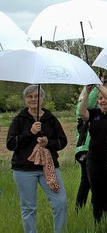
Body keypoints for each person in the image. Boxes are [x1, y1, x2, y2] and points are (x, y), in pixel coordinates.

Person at [7, 85, 68, 233]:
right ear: (25, 99)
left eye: (37, 96)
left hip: (48, 168)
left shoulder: (50, 118)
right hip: (24, 169)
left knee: (60, 202)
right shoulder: (19, 119)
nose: (34, 99)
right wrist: (30, 132)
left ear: (43, 99)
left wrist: (48, 143)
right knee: (29, 207)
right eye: (30, 96)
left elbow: (62, 141)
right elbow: (10, 144)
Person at [78, 84, 107, 222]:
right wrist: (88, 92)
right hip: (94, 160)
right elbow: (82, 112)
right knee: (97, 193)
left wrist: (99, 85)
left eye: (104, 98)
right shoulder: (95, 114)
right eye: (99, 98)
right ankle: (99, 223)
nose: (102, 101)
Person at [73, 85, 97, 210]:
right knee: (87, 181)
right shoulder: (83, 106)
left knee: (90, 181)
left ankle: (85, 208)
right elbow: (88, 104)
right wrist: (98, 87)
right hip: (85, 148)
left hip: (96, 148)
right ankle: (80, 209)